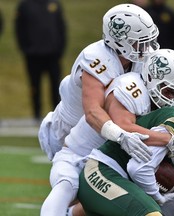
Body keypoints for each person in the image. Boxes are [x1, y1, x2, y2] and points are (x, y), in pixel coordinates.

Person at [40, 49, 174, 216]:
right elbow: (123, 126)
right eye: (169, 90)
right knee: (66, 186)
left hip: (113, 163)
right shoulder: (131, 87)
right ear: (151, 78)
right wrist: (166, 138)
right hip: (78, 156)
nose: (173, 97)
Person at [38, 3, 160, 162]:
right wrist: (121, 136)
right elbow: (93, 112)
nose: (147, 47)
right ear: (120, 41)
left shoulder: (140, 59)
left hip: (105, 131)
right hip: (70, 132)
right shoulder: (97, 58)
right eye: (139, 42)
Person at [14, 0, 67, 120]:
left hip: (53, 54)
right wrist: (25, 48)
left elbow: (61, 27)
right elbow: (19, 28)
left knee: (56, 85)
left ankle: (57, 115)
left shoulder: (54, 4)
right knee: (35, 86)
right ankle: (37, 114)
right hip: (33, 55)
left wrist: (60, 48)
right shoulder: (25, 5)